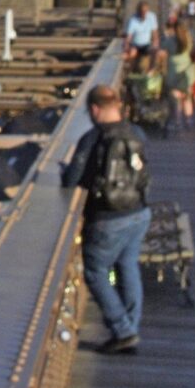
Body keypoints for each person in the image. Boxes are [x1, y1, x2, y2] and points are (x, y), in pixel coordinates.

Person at [62, 84, 152, 352]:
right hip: (139, 213)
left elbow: (71, 180)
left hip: (108, 219)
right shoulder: (136, 133)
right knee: (127, 267)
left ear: (94, 109)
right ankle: (130, 327)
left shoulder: (93, 138)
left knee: (96, 270)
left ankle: (123, 330)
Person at [165, 18, 195, 129]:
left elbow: (161, 49)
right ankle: (188, 120)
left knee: (176, 100)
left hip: (174, 73)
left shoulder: (170, 41)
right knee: (187, 98)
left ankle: (178, 121)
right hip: (187, 72)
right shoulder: (188, 39)